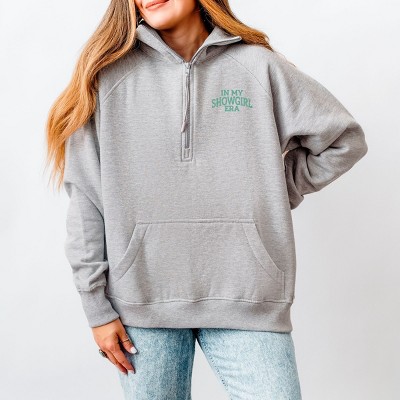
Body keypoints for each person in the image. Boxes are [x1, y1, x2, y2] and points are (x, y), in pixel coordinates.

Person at [45, 0, 368, 398]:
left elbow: (343, 140)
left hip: (248, 296)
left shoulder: (258, 67)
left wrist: (270, 190)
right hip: (143, 306)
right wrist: (96, 309)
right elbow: (86, 203)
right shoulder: (104, 79)